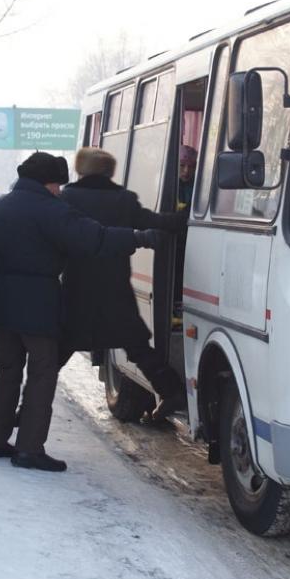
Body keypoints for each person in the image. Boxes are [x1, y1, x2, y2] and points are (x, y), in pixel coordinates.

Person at [0, 152, 161, 472]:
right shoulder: (50, 210)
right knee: (42, 374)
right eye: (57, 185)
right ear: (47, 182)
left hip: (0, 307)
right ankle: (29, 449)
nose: (60, 190)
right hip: (35, 308)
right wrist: (138, 237)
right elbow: (93, 237)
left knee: (7, 372)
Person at [60, 148, 187, 421]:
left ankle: (25, 409)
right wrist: (191, 214)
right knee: (137, 344)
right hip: (115, 287)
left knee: (59, 350)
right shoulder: (124, 200)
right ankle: (172, 391)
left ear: (81, 169)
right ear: (109, 171)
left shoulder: (67, 198)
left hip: (78, 287)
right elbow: (159, 222)